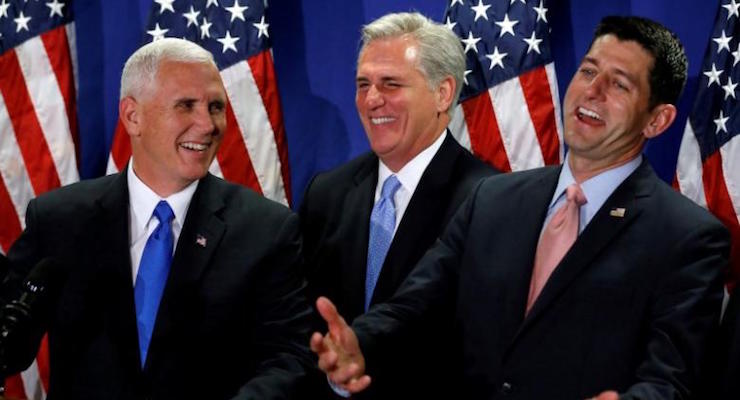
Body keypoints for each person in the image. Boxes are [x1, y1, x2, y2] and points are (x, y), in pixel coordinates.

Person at [310, 16, 731, 399]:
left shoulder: (687, 236)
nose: (592, 91)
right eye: (588, 71)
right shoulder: (494, 198)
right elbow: (413, 307)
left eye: (619, 84)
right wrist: (359, 344)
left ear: (657, 120)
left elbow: (672, 379)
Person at [2, 38, 313, 399]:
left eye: (215, 107)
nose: (208, 124)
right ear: (133, 116)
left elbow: (289, 358)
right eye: (186, 106)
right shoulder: (60, 220)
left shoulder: (266, 230)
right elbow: (12, 342)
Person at [299, 12, 495, 398]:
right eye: (363, 84)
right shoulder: (327, 192)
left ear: (442, 93)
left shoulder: (486, 198)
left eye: (391, 84)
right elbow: (303, 320)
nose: (372, 100)